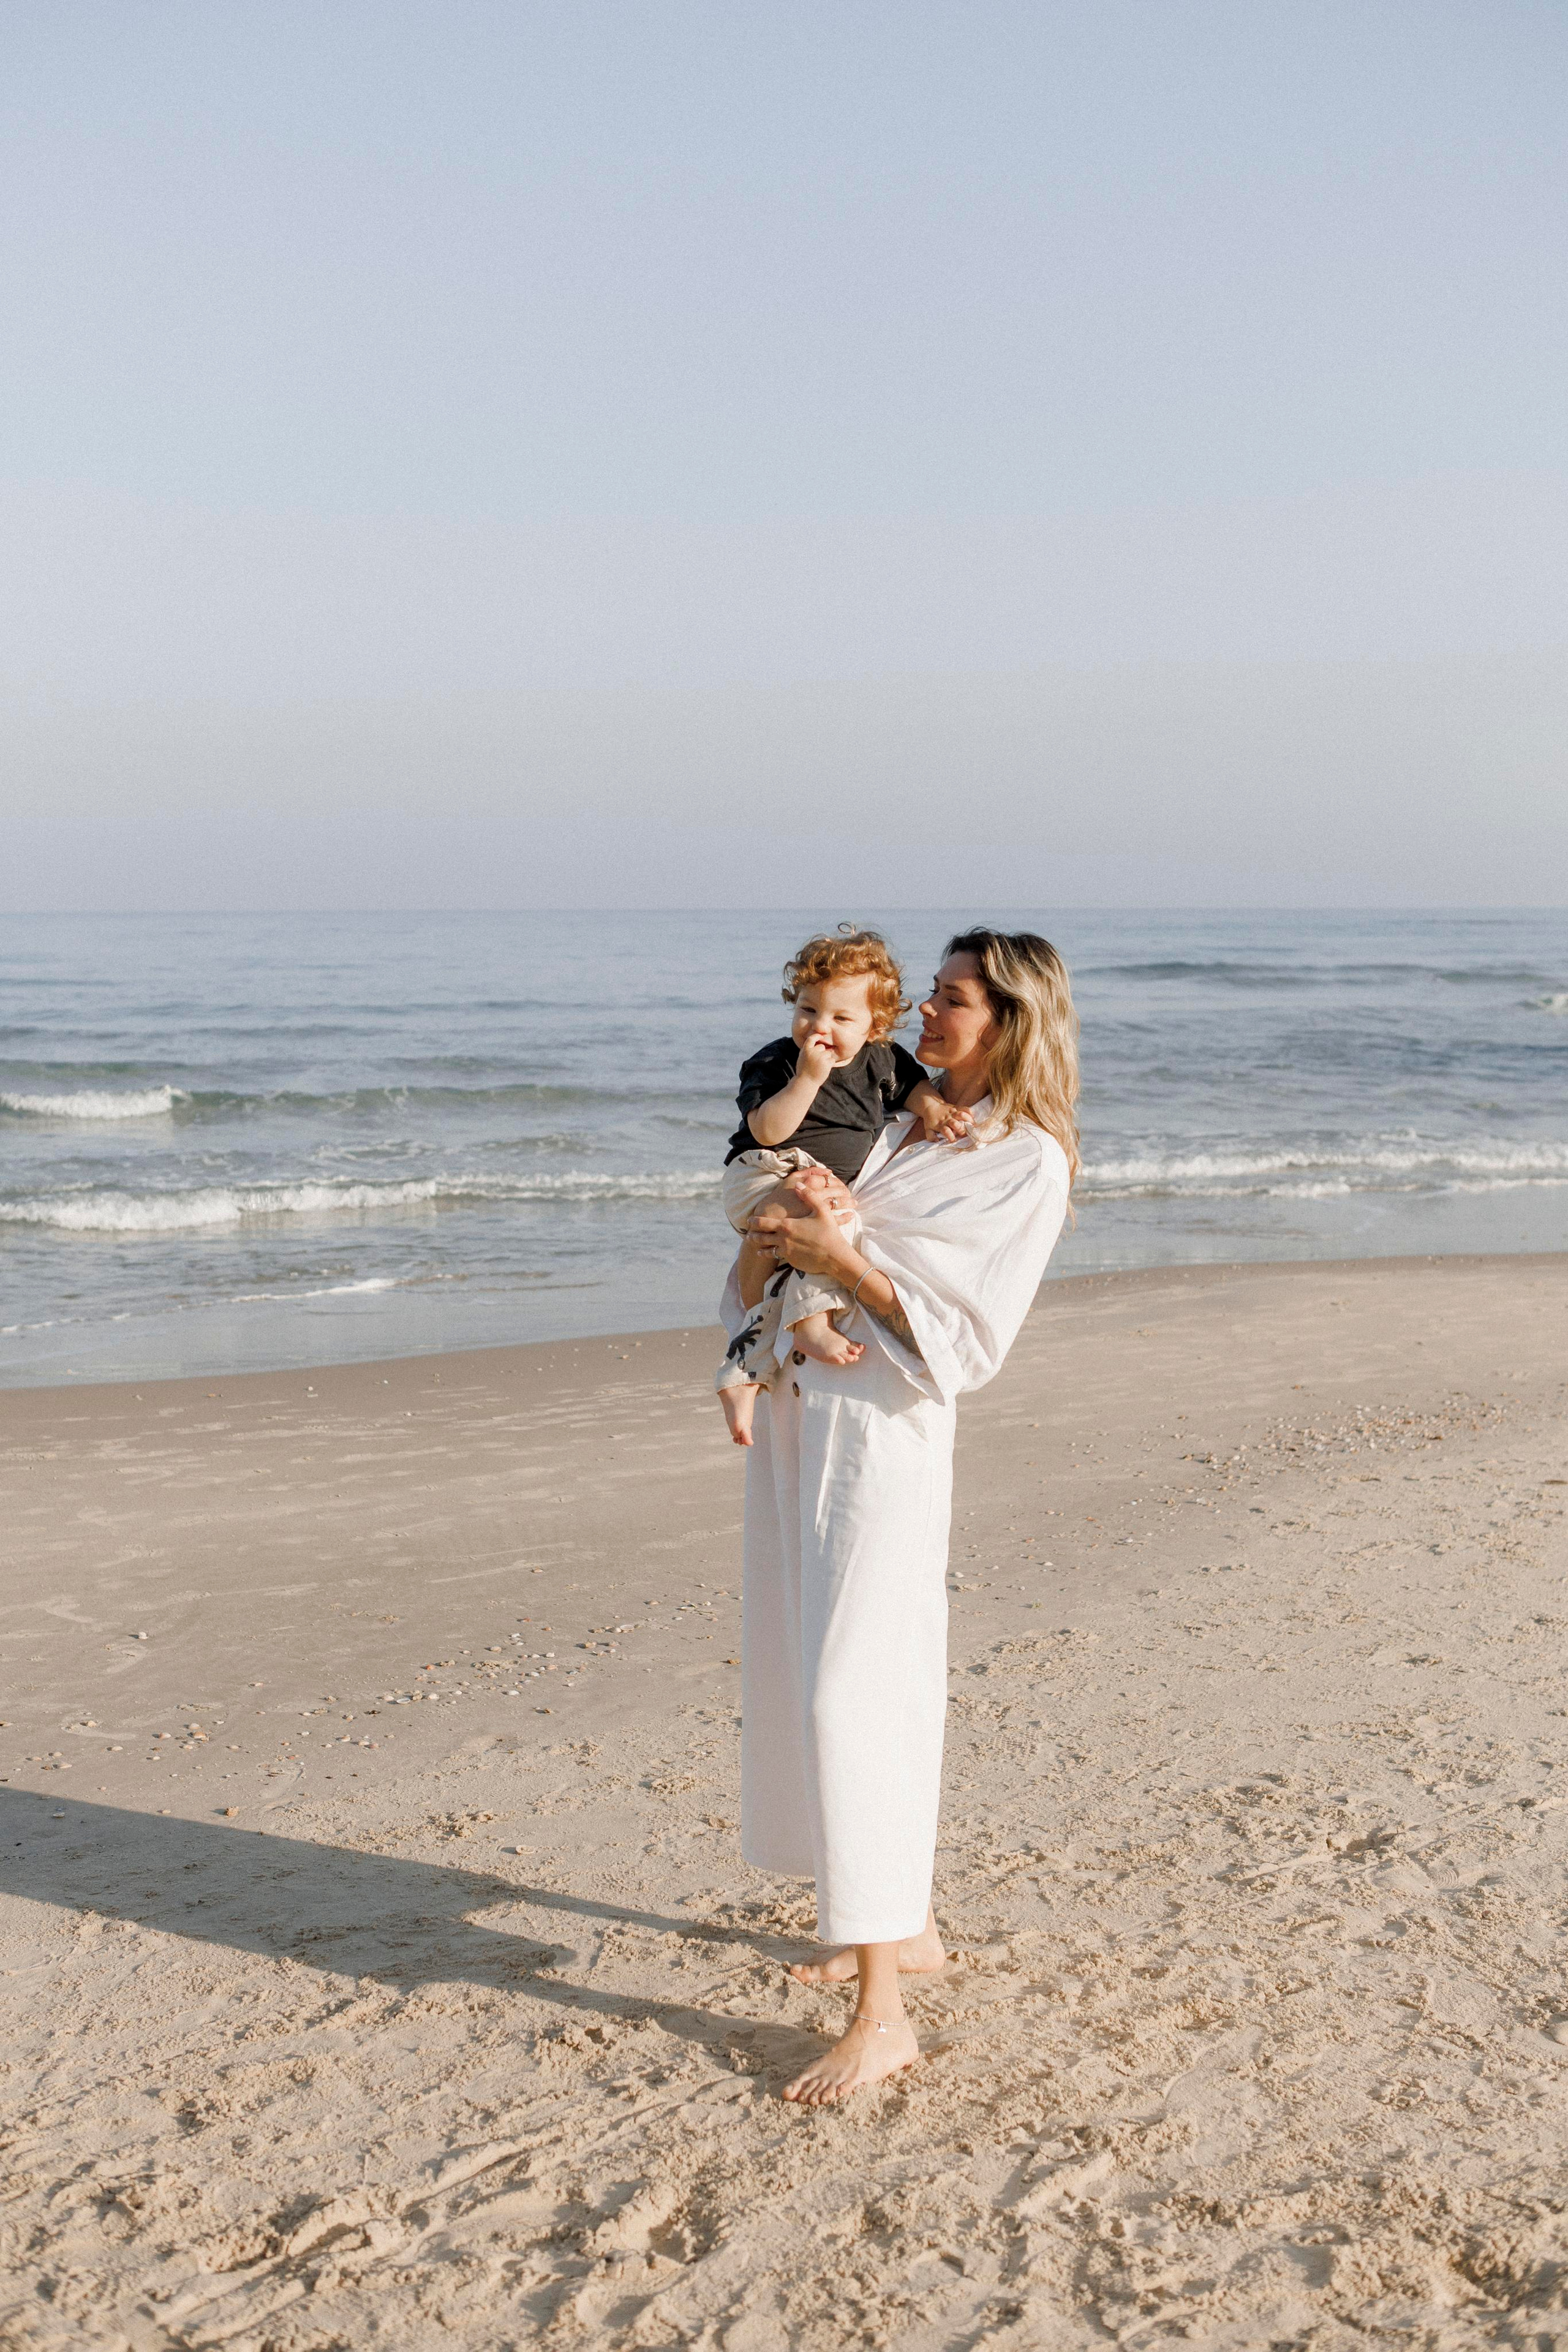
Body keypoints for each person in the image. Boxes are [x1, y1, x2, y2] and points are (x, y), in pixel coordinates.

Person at [722, 927, 1079, 2104]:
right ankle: (901, 1923)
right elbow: (796, 1210)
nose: (925, 1012)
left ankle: (885, 2018)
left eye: (954, 1000)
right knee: (798, 1663)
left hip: (883, 1430)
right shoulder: (909, 1122)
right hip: (805, 1410)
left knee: (854, 1687)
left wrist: (834, 1250)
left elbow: (964, 1337)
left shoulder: (1025, 1161)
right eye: (927, 992)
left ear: (1014, 1020)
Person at [715, 928, 968, 1448]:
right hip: (767, 1170)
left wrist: (934, 1108)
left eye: (840, 1018)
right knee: (828, 1213)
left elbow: (914, 1089)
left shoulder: (883, 1059)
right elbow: (767, 1130)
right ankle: (792, 1319)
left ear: (875, 1026)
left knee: (839, 1228)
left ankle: (744, 1372)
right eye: (808, 1010)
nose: (819, 1029)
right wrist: (807, 1079)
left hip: (820, 1189)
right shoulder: (778, 1062)